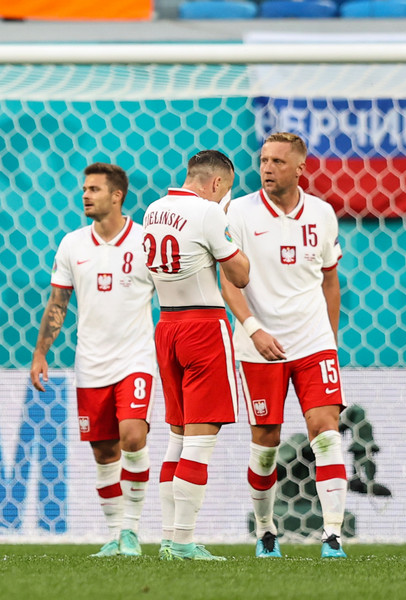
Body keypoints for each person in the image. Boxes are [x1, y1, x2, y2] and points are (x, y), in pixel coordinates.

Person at [222, 132, 348, 559]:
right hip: (260, 345)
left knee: (325, 430)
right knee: (266, 443)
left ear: (300, 168)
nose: (267, 168)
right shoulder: (237, 213)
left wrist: (329, 339)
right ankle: (265, 530)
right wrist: (254, 328)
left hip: (313, 342)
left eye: (277, 161)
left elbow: (330, 281)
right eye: (263, 161)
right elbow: (228, 281)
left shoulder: (323, 214)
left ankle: (332, 535)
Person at [30, 163, 156, 558]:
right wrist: (41, 353)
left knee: (133, 437)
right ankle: (117, 534)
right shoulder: (72, 244)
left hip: (135, 356)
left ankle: (132, 531)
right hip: (90, 363)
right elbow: (58, 303)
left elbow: (169, 296)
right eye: (84, 188)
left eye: (94, 189)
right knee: (104, 452)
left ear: (117, 196)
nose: (85, 195)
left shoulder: (145, 242)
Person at [142, 150, 250, 561]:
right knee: (199, 444)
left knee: (178, 437)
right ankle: (184, 541)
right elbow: (239, 276)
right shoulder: (208, 214)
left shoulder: (153, 210)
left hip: (166, 326)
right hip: (203, 328)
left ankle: (170, 537)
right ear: (218, 184)